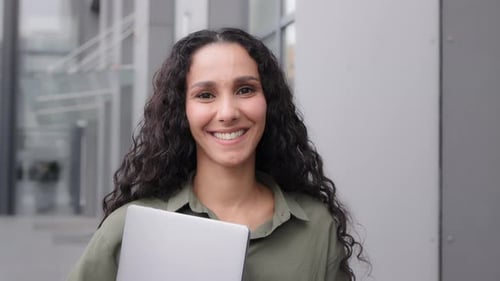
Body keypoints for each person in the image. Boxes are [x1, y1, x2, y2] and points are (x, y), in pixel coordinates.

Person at [68, 27, 365, 281]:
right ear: (182, 111)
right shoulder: (130, 226)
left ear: (269, 102)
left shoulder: (316, 227)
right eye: (205, 95)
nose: (227, 113)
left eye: (245, 90)